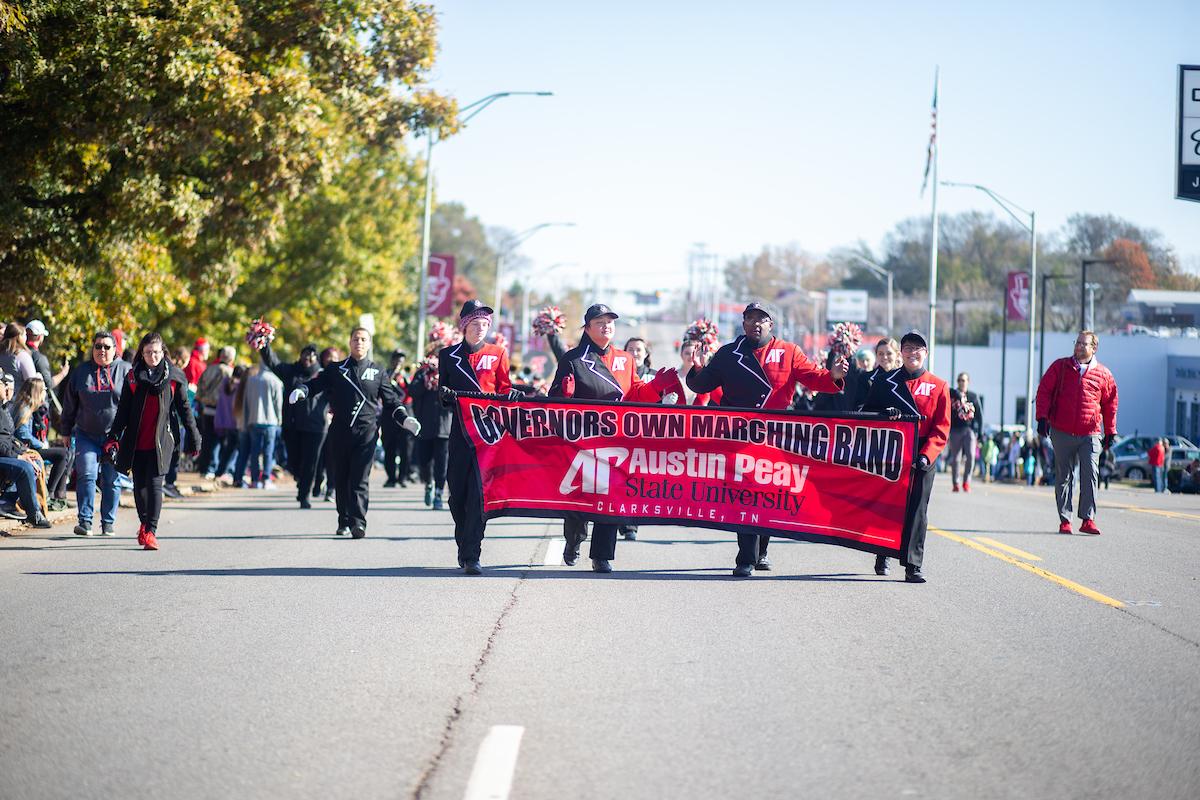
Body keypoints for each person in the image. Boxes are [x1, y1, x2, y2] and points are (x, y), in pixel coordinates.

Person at [686, 302, 847, 577]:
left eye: (762, 319)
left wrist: (833, 376)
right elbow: (701, 386)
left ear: (771, 325)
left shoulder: (788, 351)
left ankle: (761, 550)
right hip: (740, 435)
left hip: (776, 435)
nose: (755, 324)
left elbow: (813, 378)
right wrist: (699, 368)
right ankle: (746, 558)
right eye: (750, 319)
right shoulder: (728, 353)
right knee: (746, 494)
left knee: (770, 495)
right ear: (743, 323)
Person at [550, 303, 673, 572]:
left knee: (610, 498)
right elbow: (554, 402)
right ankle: (573, 541)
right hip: (583, 439)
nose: (607, 326)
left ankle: (601, 555)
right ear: (588, 328)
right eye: (600, 322)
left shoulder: (626, 359)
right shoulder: (572, 359)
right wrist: (565, 395)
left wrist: (655, 388)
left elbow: (636, 393)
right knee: (580, 499)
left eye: (610, 322)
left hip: (617, 439)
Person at [290, 327, 419, 538]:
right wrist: (302, 391)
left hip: (366, 433)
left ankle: (359, 522)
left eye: (363, 339)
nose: (359, 342)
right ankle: (343, 520)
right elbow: (316, 385)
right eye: (355, 339)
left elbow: (391, 401)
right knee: (341, 477)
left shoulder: (378, 371)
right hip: (340, 431)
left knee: (360, 479)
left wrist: (404, 419)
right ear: (349, 342)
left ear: (369, 344)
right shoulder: (336, 369)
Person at [438, 300, 522, 574]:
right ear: (464, 327)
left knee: (478, 494)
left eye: (484, 325)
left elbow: (504, 388)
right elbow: (443, 394)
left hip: (488, 436)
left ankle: (472, 552)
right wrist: (446, 396)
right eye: (475, 324)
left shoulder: (498, 353)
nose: (480, 329)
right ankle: (464, 540)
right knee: (456, 494)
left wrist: (511, 395)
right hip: (460, 432)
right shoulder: (448, 355)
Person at [860, 330, 950, 583]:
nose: (913, 353)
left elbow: (941, 428)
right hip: (892, 453)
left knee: (918, 511)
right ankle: (882, 552)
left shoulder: (939, 386)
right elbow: (867, 415)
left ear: (926, 353)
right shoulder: (884, 382)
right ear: (901, 353)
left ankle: (913, 565)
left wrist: (926, 455)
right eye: (908, 348)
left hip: (923, 454)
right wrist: (884, 417)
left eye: (918, 348)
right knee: (888, 507)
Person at [105, 333, 201, 550]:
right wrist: (113, 436)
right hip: (136, 441)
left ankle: (151, 532)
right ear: (142, 353)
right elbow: (123, 411)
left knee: (156, 484)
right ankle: (144, 523)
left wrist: (194, 436)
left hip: (162, 441)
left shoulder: (174, 378)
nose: (152, 356)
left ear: (163, 353)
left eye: (156, 352)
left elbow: (185, 410)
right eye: (148, 352)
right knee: (140, 487)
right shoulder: (132, 377)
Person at [1034, 330, 1118, 535]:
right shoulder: (1060, 366)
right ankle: (1065, 520)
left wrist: (1110, 431)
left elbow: (1110, 404)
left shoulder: (1104, 374)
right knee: (1064, 476)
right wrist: (1042, 418)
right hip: (1061, 431)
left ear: (1094, 348)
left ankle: (1088, 519)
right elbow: (1044, 391)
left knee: (1090, 474)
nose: (1078, 346)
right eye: (1077, 342)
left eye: (1083, 344)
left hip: (1090, 432)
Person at [60, 330, 132, 536]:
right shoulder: (81, 372)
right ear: (93, 349)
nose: (102, 350)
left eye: (107, 347)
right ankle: (85, 522)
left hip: (115, 437)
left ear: (115, 349)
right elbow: (69, 403)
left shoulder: (126, 371)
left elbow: (135, 404)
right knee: (87, 474)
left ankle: (108, 523)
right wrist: (65, 430)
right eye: (98, 346)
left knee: (111, 479)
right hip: (86, 435)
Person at [259, 341, 327, 506]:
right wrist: (263, 343)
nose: (307, 359)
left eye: (311, 356)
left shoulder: (322, 375)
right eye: (305, 354)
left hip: (316, 427)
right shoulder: (291, 371)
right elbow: (273, 362)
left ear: (316, 358)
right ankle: (300, 477)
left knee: (310, 462)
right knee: (294, 463)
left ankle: (304, 496)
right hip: (293, 425)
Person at [9, 376, 70, 510]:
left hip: (26, 447)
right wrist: (42, 444)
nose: (45, 394)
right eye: (43, 390)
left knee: (65, 453)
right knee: (63, 454)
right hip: (25, 449)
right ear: (36, 392)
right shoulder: (24, 409)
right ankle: (49, 494)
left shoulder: (28, 406)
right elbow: (23, 434)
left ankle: (56, 494)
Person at [0, 371, 51, 528]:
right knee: (24, 468)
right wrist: (18, 457)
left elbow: (9, 439)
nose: (9, 390)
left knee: (32, 459)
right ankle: (33, 513)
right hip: (2, 454)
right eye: (4, 385)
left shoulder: (3, 409)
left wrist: (22, 453)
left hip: (5, 452)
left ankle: (9, 501)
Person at [196, 346, 235, 478]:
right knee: (218, 440)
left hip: (206, 409)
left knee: (207, 439)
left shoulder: (209, 368)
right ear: (231, 358)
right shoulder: (229, 372)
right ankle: (213, 467)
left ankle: (203, 468)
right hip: (221, 411)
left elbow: (199, 387)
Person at [243, 362, 284, 489]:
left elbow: (246, 401)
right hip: (270, 421)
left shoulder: (251, 380)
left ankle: (255, 480)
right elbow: (278, 403)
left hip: (254, 419)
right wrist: (279, 419)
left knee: (254, 451)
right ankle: (266, 478)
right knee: (268, 451)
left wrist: (246, 419)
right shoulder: (276, 381)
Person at [381, 349, 412, 488]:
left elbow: (412, 392)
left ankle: (403, 477)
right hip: (389, 417)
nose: (399, 361)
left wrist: (404, 377)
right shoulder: (386, 374)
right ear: (392, 360)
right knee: (389, 448)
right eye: (397, 358)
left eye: (401, 359)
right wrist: (393, 375)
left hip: (406, 414)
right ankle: (391, 478)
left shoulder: (407, 375)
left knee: (406, 449)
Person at [947, 372, 983, 493]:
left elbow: (980, 416)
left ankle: (966, 482)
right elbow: (946, 390)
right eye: (960, 380)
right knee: (956, 458)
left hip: (969, 430)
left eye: (964, 380)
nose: (962, 383)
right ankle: (956, 483)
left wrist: (981, 433)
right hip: (955, 430)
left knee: (971, 456)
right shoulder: (952, 394)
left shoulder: (973, 396)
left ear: (968, 382)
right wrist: (957, 394)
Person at [0, 323, 38, 399]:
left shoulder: (1, 353)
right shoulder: (22, 355)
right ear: (19, 337)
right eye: (25, 335)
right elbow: (31, 381)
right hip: (16, 401)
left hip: (2, 397)